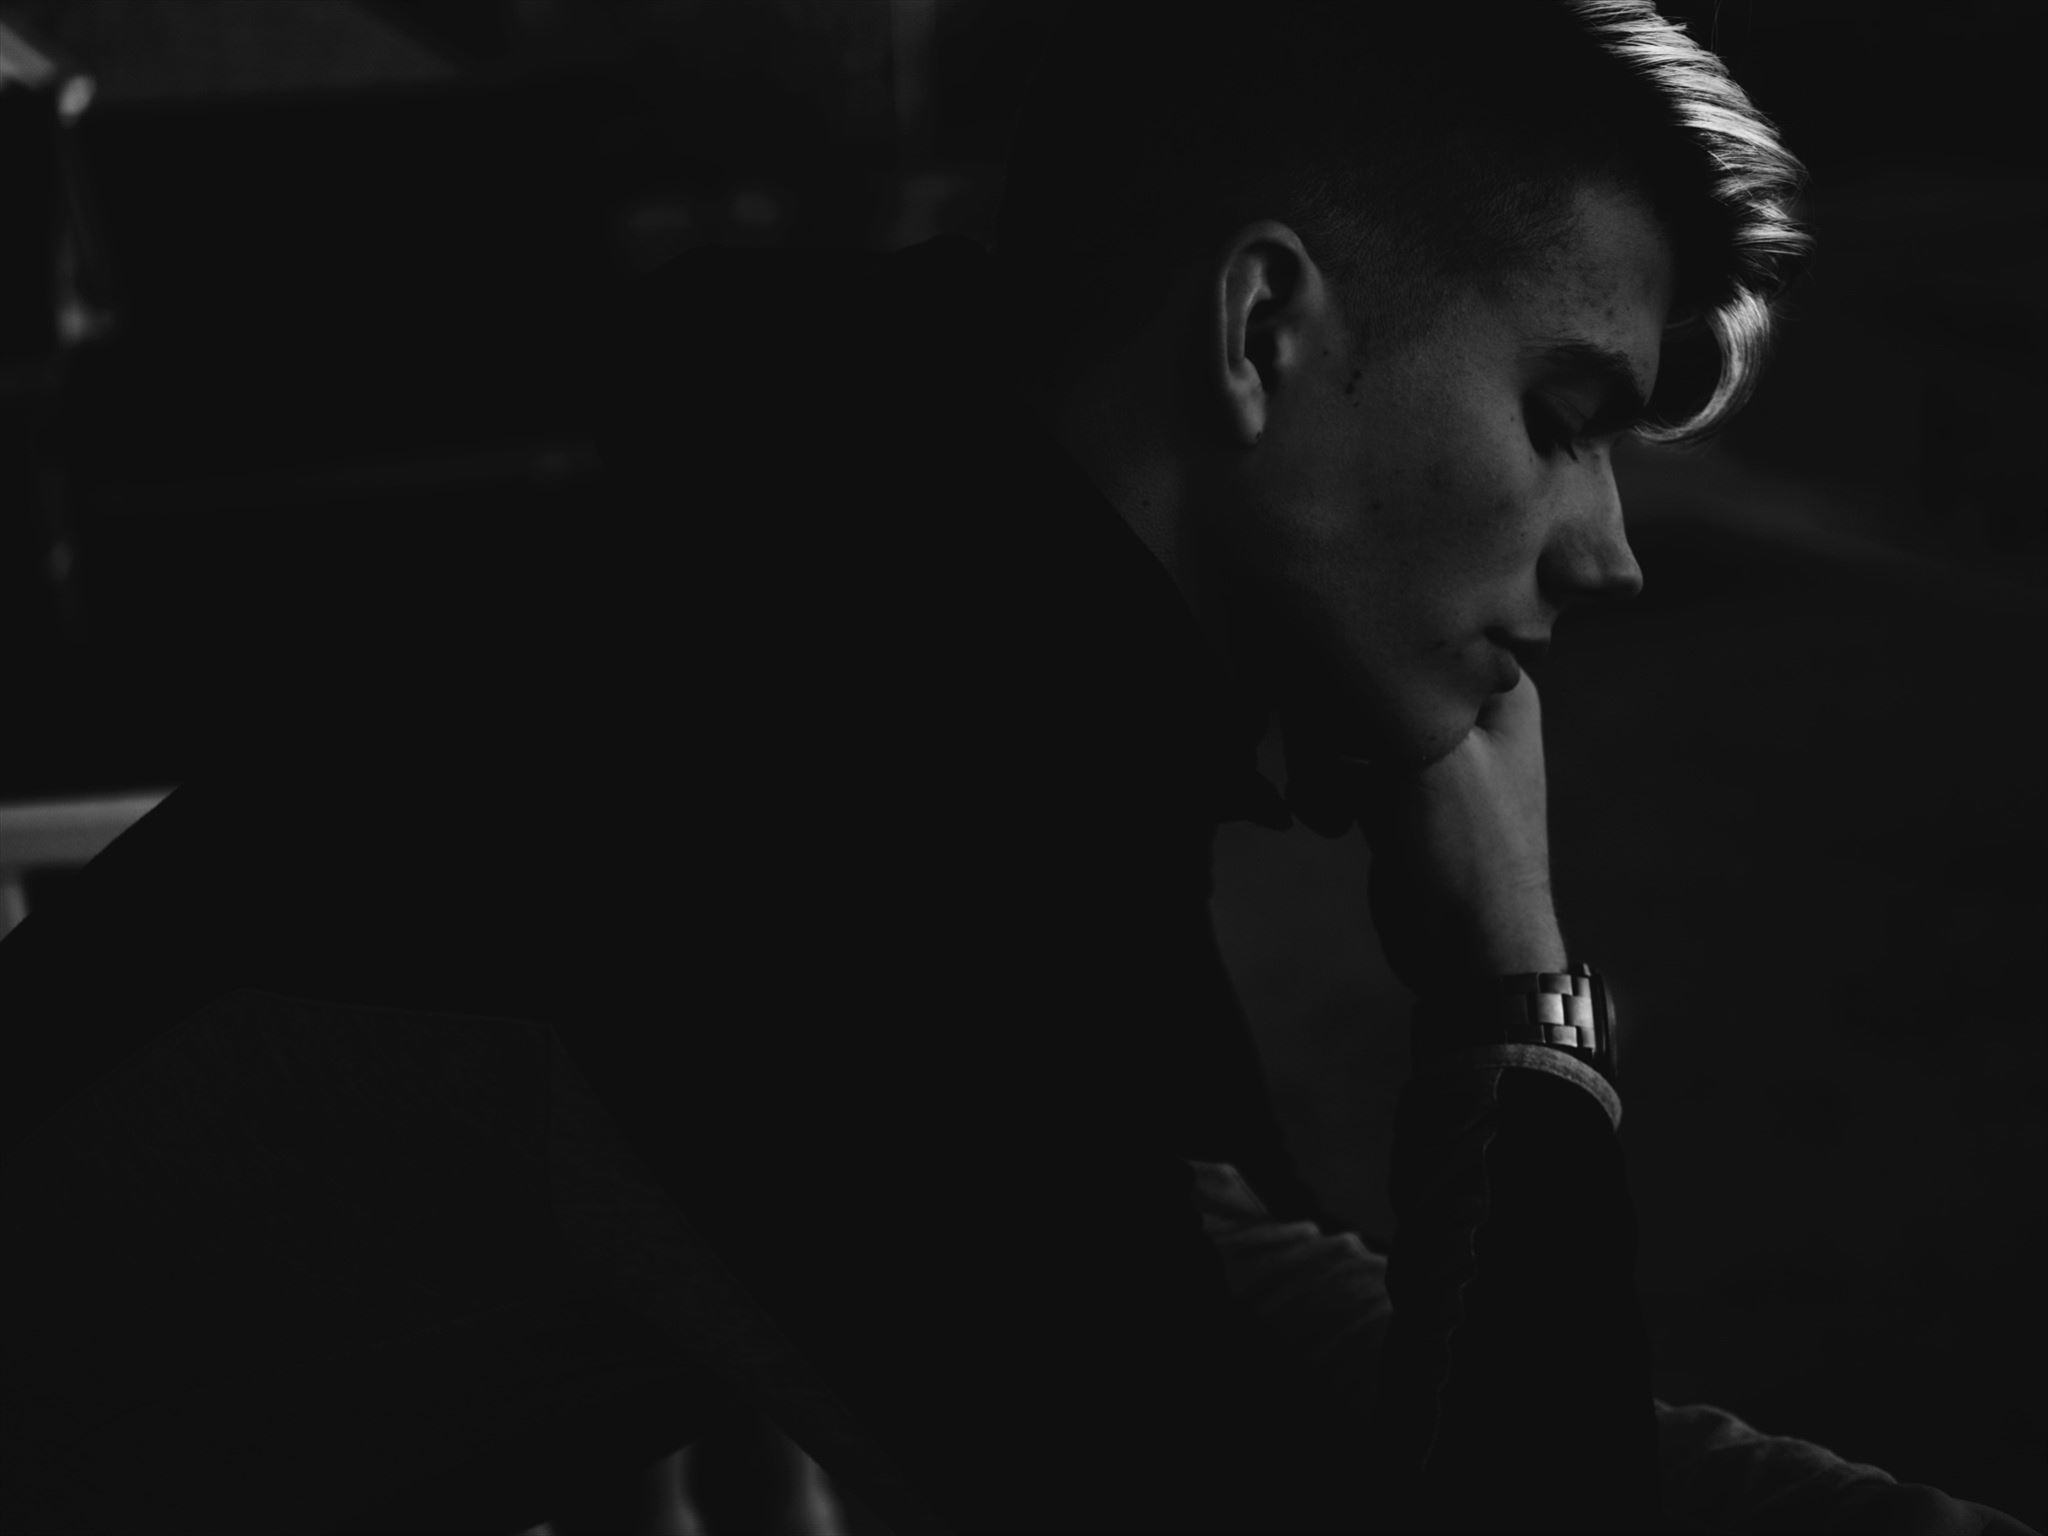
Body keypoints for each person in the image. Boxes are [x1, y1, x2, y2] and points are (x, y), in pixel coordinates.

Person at [0, 3, 2034, 1533]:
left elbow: (1243, 1331)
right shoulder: (814, 809)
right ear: (1259, 329)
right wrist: (1516, 1006)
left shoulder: (880, 625)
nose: (1607, 551)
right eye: (1563, 415)